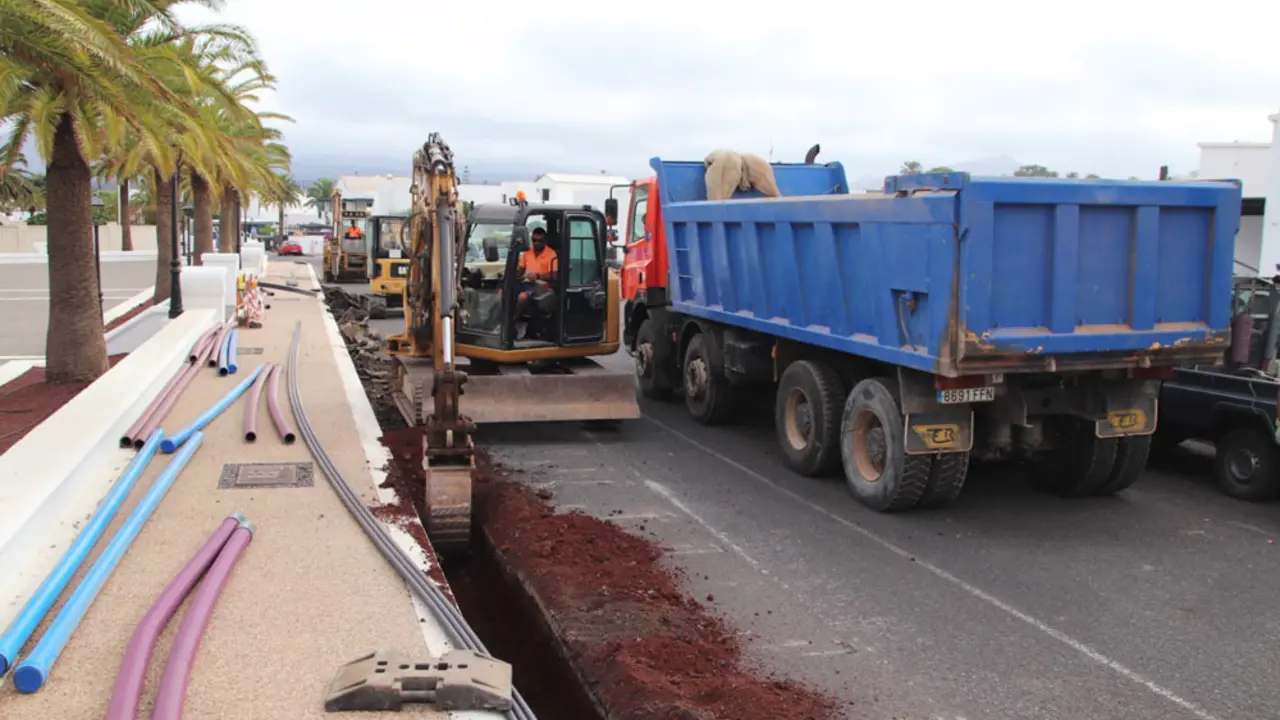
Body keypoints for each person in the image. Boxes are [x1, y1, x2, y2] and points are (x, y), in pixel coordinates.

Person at [514, 227, 558, 322]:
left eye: (540, 240)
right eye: (534, 240)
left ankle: (513, 321)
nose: (536, 243)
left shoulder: (551, 254)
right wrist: (514, 273)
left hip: (541, 287)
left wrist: (537, 276)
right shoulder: (527, 253)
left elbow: (554, 275)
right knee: (504, 291)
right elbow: (520, 271)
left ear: (545, 241)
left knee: (522, 297)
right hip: (525, 283)